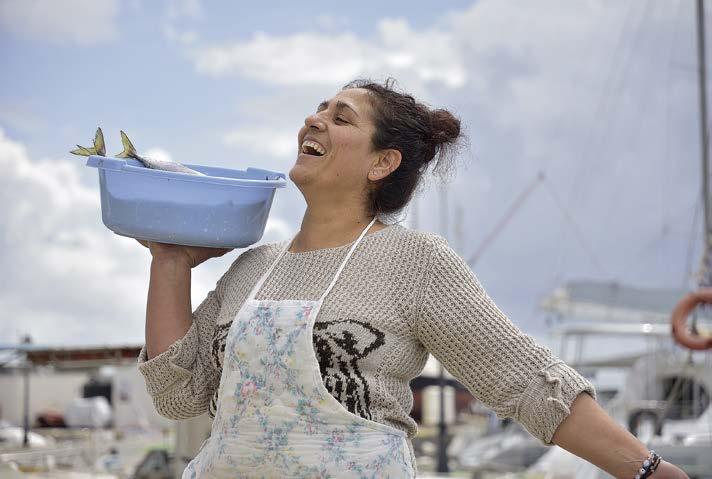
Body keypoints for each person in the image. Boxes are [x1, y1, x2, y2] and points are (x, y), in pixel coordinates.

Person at [136, 78, 689, 478]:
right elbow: (178, 393)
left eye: (342, 117)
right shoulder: (253, 267)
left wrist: (650, 471)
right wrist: (169, 262)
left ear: (382, 163)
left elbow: (524, 382)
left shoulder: (413, 261)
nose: (315, 119)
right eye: (319, 108)